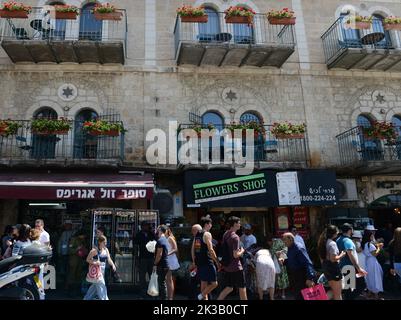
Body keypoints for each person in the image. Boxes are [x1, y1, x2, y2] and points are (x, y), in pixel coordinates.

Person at [218, 216, 247, 300]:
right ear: (234, 224)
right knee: (242, 287)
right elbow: (235, 255)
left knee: (229, 287)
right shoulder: (235, 237)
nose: (240, 224)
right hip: (236, 267)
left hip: (227, 266)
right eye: (238, 223)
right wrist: (242, 251)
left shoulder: (226, 234)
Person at [280, 233, 315, 300]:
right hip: (294, 278)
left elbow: (308, 263)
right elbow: (289, 261)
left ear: (290, 239)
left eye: (284, 240)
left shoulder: (299, 248)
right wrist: (282, 259)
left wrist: (310, 278)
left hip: (301, 277)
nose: (283, 242)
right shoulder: (289, 248)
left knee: (302, 297)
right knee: (297, 296)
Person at [337, 223, 367, 300]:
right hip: (349, 267)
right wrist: (359, 268)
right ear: (350, 230)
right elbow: (351, 256)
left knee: (348, 289)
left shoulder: (338, 240)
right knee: (359, 286)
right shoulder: (348, 241)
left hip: (343, 267)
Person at [192, 217, 220, 300]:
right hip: (208, 262)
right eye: (210, 224)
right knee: (214, 284)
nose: (211, 225)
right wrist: (217, 262)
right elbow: (211, 250)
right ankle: (199, 296)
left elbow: (195, 249)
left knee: (203, 286)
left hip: (200, 263)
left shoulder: (197, 235)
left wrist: (195, 261)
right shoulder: (207, 234)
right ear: (207, 224)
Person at [317, 225, 346, 300]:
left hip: (327, 268)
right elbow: (333, 259)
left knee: (334, 291)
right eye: (337, 232)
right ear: (334, 233)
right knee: (338, 294)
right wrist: (342, 255)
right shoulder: (332, 243)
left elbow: (322, 258)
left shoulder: (323, 242)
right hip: (333, 269)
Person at [84, 235, 116, 300]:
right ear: (100, 242)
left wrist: (113, 265)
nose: (106, 244)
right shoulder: (94, 250)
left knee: (94, 287)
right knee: (102, 285)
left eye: (106, 242)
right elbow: (87, 259)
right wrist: (95, 262)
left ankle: (86, 298)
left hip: (102, 271)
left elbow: (109, 259)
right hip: (96, 271)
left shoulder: (106, 250)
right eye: (104, 242)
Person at [362, 225, 384, 300]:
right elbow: (375, 254)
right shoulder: (370, 244)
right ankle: (375, 295)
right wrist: (379, 248)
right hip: (372, 261)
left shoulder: (365, 243)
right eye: (371, 234)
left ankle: (370, 293)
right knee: (375, 276)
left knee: (370, 277)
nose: (373, 235)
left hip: (368, 261)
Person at [135, 221, 156, 297]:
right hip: (142, 257)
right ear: (142, 227)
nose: (146, 227)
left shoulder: (152, 234)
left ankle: (152, 291)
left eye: (147, 226)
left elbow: (156, 244)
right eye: (144, 226)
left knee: (152, 275)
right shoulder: (139, 234)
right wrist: (136, 258)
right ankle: (143, 291)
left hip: (151, 257)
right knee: (142, 276)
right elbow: (136, 246)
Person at [153, 225, 170, 300]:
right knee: (162, 282)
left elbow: (159, 255)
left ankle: (163, 298)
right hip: (165, 264)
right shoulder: (165, 240)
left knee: (161, 283)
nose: (156, 231)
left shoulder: (160, 241)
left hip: (162, 264)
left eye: (157, 230)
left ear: (160, 231)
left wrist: (155, 264)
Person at [57, 221, 74, 289]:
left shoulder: (74, 233)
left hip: (71, 254)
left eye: (68, 225)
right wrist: (59, 251)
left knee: (69, 270)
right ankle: (65, 283)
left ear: (71, 226)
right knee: (63, 269)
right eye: (66, 225)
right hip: (64, 254)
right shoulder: (63, 233)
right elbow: (60, 242)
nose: (67, 226)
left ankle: (68, 284)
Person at [166, 227, 180, 300]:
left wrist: (167, 254)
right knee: (169, 280)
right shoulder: (167, 238)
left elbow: (175, 249)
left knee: (170, 280)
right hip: (169, 261)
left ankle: (170, 297)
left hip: (171, 261)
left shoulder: (170, 238)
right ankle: (169, 296)